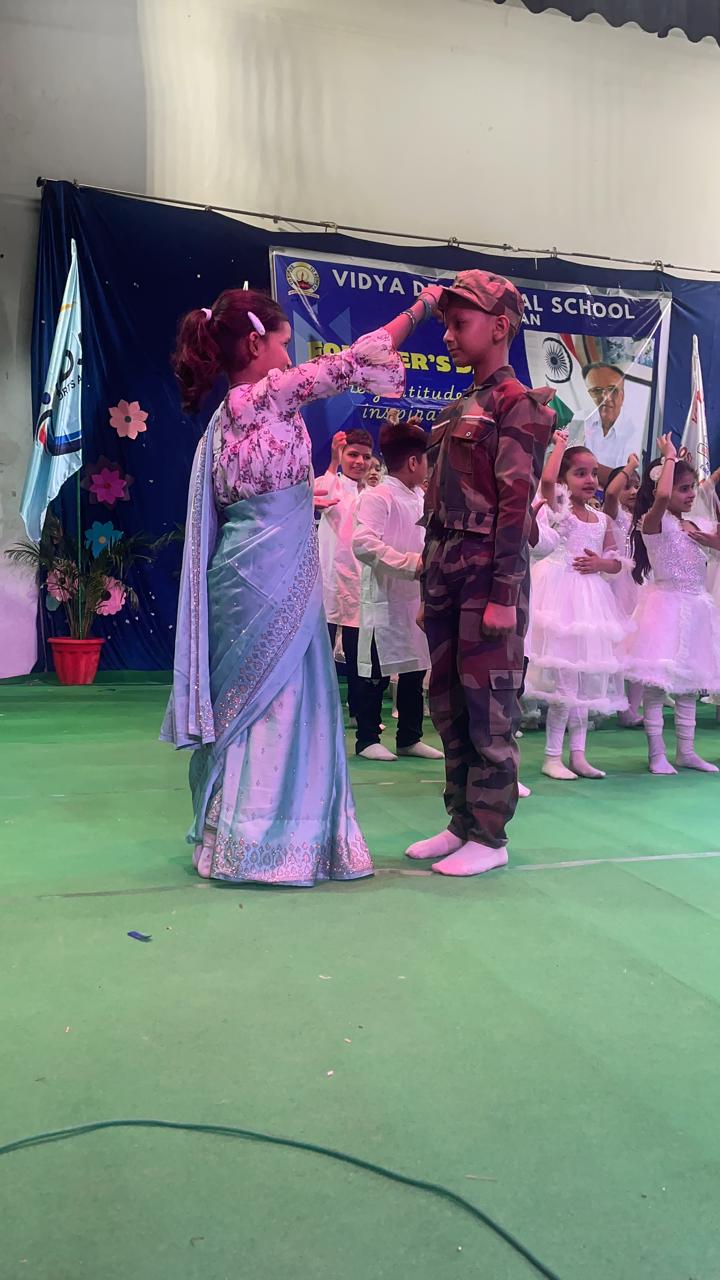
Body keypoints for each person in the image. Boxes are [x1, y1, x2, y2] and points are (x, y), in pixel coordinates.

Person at [161, 283, 441, 884]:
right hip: (271, 572)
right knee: (281, 696)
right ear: (255, 343)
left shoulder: (224, 419)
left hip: (244, 570)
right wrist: (422, 308)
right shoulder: (264, 396)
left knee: (253, 699)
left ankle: (228, 836)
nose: (289, 358)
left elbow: (253, 496)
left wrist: (293, 505)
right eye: (284, 344)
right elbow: (357, 360)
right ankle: (266, 844)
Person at [406, 269, 557, 877]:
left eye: (459, 322)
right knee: (448, 703)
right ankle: (461, 823)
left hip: (487, 579)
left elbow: (515, 509)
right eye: (445, 322)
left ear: (499, 327)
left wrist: (503, 595)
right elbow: (436, 508)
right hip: (446, 576)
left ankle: (491, 838)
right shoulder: (455, 410)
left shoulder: (519, 407)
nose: (448, 334)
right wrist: (427, 584)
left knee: (489, 705)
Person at [525, 433, 630, 780]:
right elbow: (546, 482)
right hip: (561, 599)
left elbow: (618, 562)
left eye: (594, 474)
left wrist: (601, 563)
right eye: (580, 473)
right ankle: (552, 755)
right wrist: (558, 444)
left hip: (591, 603)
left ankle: (579, 754)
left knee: (585, 680)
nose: (590, 480)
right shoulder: (560, 510)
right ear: (565, 480)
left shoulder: (601, 520)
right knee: (566, 682)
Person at [624, 436, 720, 774]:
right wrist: (667, 458)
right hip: (664, 608)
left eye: (692, 487)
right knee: (656, 685)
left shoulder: (697, 524)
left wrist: (713, 542)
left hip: (696, 609)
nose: (691, 494)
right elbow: (662, 496)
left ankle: (687, 751)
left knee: (689, 684)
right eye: (684, 488)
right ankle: (657, 754)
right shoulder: (654, 522)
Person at [352, 415, 443, 763]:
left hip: (415, 597)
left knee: (414, 667)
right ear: (414, 462)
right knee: (375, 669)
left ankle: (409, 736)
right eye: (427, 461)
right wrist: (411, 564)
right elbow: (363, 543)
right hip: (386, 595)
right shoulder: (379, 496)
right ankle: (367, 737)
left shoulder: (422, 497)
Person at [317, 427, 374, 721]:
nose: (359, 462)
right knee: (322, 653)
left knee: (357, 655)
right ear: (341, 455)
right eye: (353, 455)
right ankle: (319, 710)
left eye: (366, 456)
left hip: (358, 582)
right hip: (328, 581)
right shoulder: (331, 483)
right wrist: (332, 462)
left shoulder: (373, 494)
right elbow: (320, 495)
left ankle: (358, 711)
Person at [602, 454, 643, 726]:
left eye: (637, 486)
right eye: (628, 486)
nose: (633, 491)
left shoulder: (643, 518)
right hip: (616, 584)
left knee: (638, 645)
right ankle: (610, 702)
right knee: (615, 645)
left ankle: (631, 710)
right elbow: (610, 493)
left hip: (638, 584)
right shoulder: (614, 515)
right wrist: (630, 467)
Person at [577, 362, 643, 475]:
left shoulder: (636, 430)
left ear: (622, 396)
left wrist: (580, 465)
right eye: (596, 391)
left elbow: (624, 477)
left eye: (613, 390)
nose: (606, 398)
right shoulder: (580, 418)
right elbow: (567, 461)